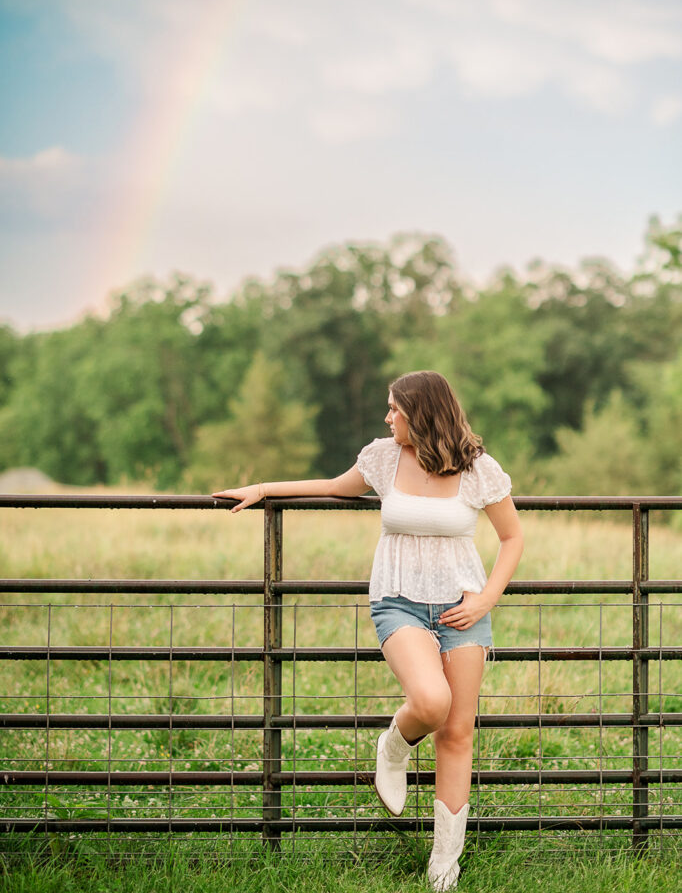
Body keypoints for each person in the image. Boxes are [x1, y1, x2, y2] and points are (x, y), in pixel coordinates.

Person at [213, 370, 523, 891]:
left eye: (394, 409)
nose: (387, 417)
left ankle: (444, 865)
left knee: (456, 733)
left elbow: (512, 538)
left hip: (463, 609)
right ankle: (394, 746)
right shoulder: (383, 457)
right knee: (429, 702)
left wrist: (486, 599)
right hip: (398, 602)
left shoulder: (478, 470)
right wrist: (263, 489)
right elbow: (333, 487)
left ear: (420, 414)